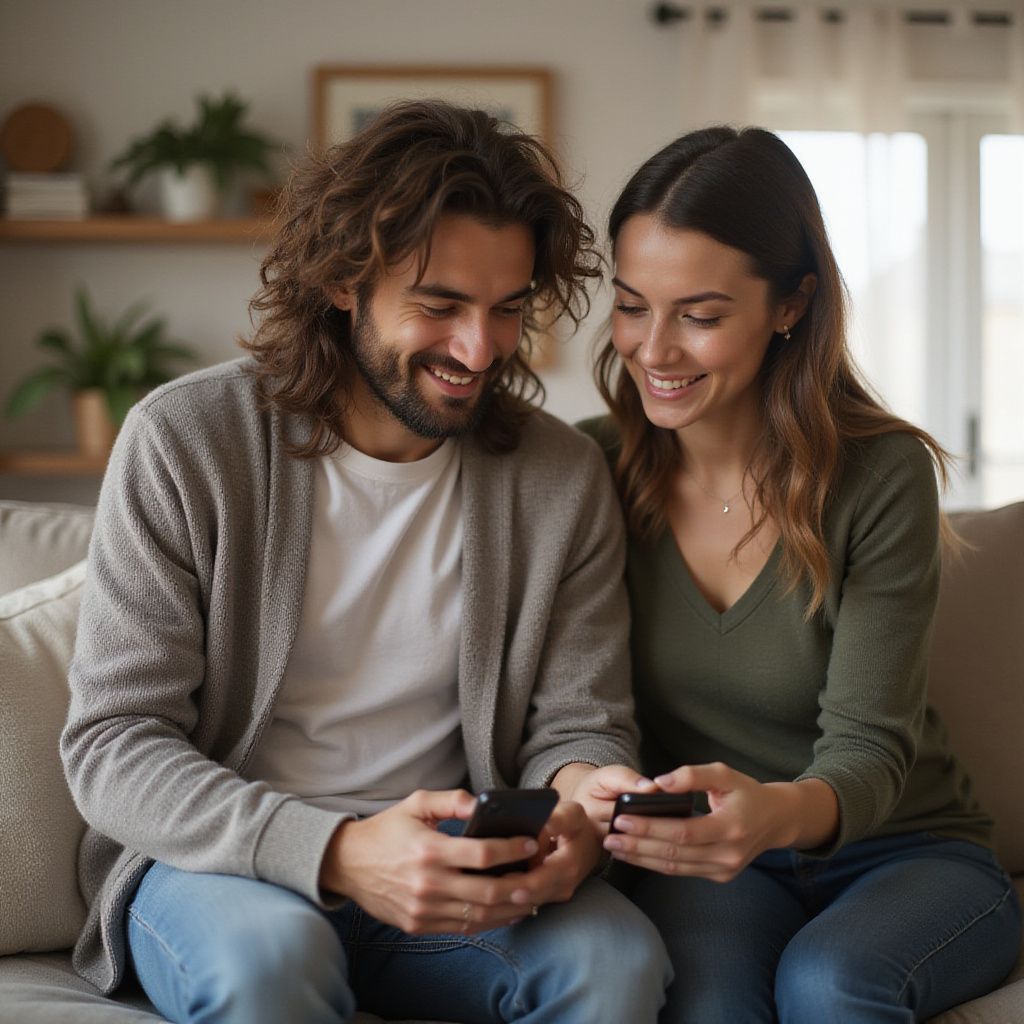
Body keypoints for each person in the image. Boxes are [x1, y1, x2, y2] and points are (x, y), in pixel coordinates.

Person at [60, 100, 671, 1024]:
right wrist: (339, 852)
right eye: (440, 305)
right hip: (226, 865)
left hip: (456, 863)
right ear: (345, 282)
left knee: (615, 960)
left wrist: (586, 801)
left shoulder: (560, 476)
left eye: (507, 309)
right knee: (273, 962)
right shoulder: (186, 441)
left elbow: (579, 726)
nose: (478, 349)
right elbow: (114, 744)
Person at [576, 126, 1022, 1023]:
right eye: (631, 306)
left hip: (905, 849)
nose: (654, 350)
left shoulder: (879, 474)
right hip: (713, 865)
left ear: (791, 304)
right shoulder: (590, 471)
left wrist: (771, 815)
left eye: (700, 316)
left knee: (829, 984)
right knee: (706, 1003)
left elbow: (869, 751)